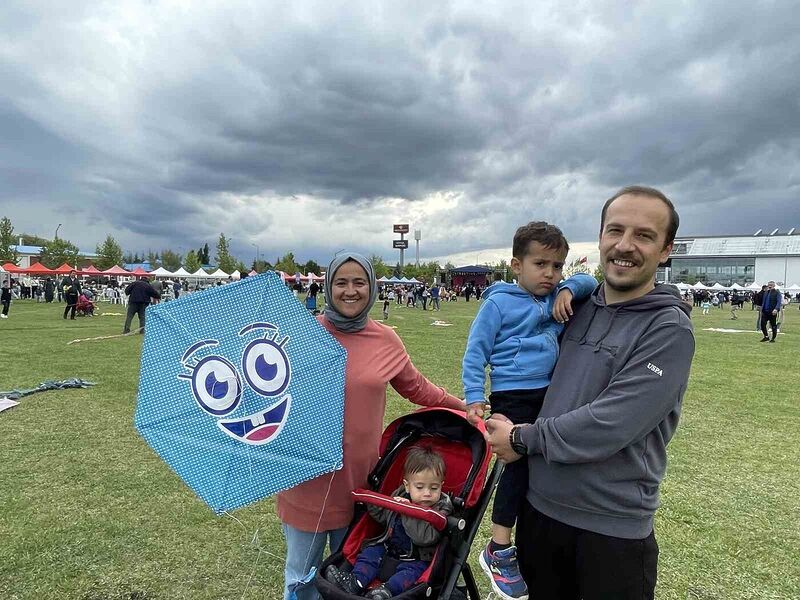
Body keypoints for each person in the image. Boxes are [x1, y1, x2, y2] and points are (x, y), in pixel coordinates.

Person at [485, 186, 695, 600]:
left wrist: (520, 438)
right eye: (615, 230)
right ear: (600, 238)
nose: (625, 245)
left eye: (644, 235)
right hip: (539, 512)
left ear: (666, 250)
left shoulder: (668, 329)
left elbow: (611, 423)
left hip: (609, 528)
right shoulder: (572, 309)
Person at [275, 252, 465, 600]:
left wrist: (465, 409)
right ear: (328, 286)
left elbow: (418, 388)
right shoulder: (303, 335)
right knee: (301, 582)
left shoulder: (385, 340)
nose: (351, 291)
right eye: (341, 282)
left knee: (351, 577)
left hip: (361, 485)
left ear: (372, 287)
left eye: (359, 282)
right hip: (305, 481)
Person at [463, 221, 597, 600]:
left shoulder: (558, 294)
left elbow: (591, 283)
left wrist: (570, 287)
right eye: (541, 264)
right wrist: (475, 397)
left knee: (544, 466)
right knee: (517, 468)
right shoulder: (498, 303)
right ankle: (499, 548)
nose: (550, 274)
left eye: (557, 266)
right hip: (513, 396)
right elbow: (476, 352)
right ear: (516, 265)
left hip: (551, 395)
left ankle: (526, 541)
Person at [324, 446, 453, 599]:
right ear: (407, 485)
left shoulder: (441, 509)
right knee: (369, 553)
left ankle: (385, 591)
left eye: (434, 487)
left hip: (416, 559)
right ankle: (355, 582)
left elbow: (424, 538)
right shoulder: (401, 495)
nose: (427, 493)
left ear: (441, 485)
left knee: (410, 574)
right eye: (419, 487)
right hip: (388, 550)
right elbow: (383, 517)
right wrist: (376, 502)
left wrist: (407, 510)